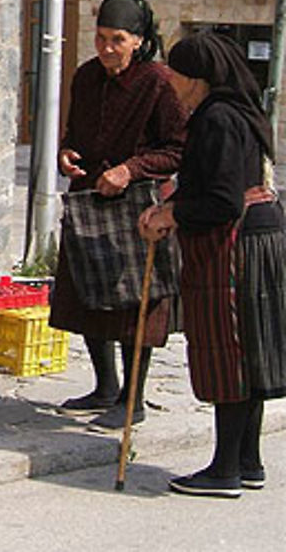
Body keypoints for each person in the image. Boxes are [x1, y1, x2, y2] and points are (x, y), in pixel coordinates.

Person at [139, 31, 286, 498]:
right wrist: (171, 206)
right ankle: (248, 460)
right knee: (251, 352)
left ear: (197, 78)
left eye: (176, 73)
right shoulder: (236, 111)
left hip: (235, 248)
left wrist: (173, 213)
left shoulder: (218, 119)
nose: (171, 82)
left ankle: (224, 469)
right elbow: (213, 181)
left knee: (230, 353)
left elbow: (221, 200)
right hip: (259, 239)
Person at [51, 0, 188, 430]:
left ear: (139, 41)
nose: (106, 48)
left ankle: (134, 398)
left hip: (137, 209)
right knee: (89, 295)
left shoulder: (159, 82)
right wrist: (67, 153)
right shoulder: (87, 77)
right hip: (91, 199)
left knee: (134, 305)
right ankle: (104, 386)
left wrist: (131, 169)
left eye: (118, 39)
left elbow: (178, 149)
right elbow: (75, 132)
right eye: (101, 37)